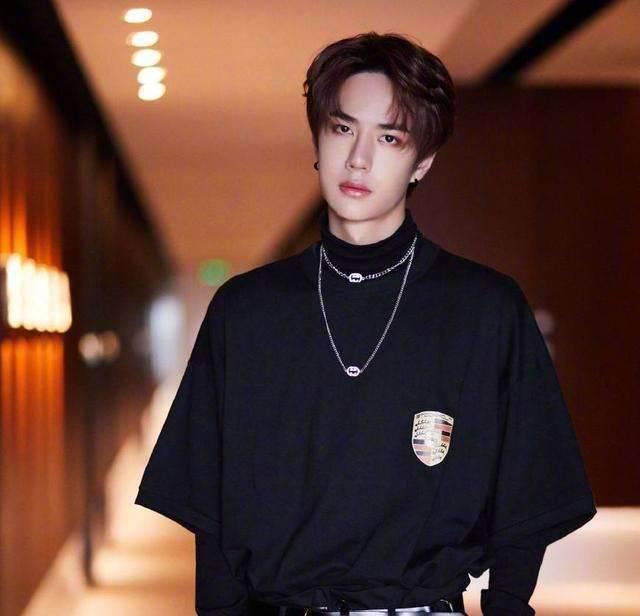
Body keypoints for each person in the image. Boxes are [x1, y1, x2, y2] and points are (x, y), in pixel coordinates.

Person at [134, 32, 597, 616]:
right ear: (318, 140)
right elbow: (213, 516)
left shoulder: (484, 309)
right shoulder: (246, 312)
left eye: (390, 137)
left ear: (422, 161)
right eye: (342, 128)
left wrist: (507, 605)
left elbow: (529, 491)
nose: (359, 158)